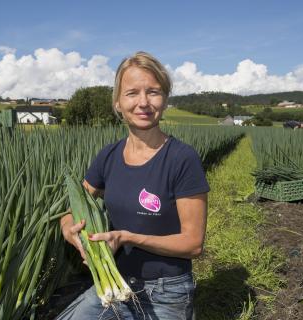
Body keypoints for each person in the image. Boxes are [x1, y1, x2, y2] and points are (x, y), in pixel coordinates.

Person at [57, 52, 209, 320]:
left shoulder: (182, 158)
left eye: (153, 92)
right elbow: (72, 211)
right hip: (113, 282)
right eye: (132, 93)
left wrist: (127, 237)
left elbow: (193, 244)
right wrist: (71, 231)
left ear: (164, 99)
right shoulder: (108, 156)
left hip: (165, 292)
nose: (143, 103)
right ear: (117, 102)